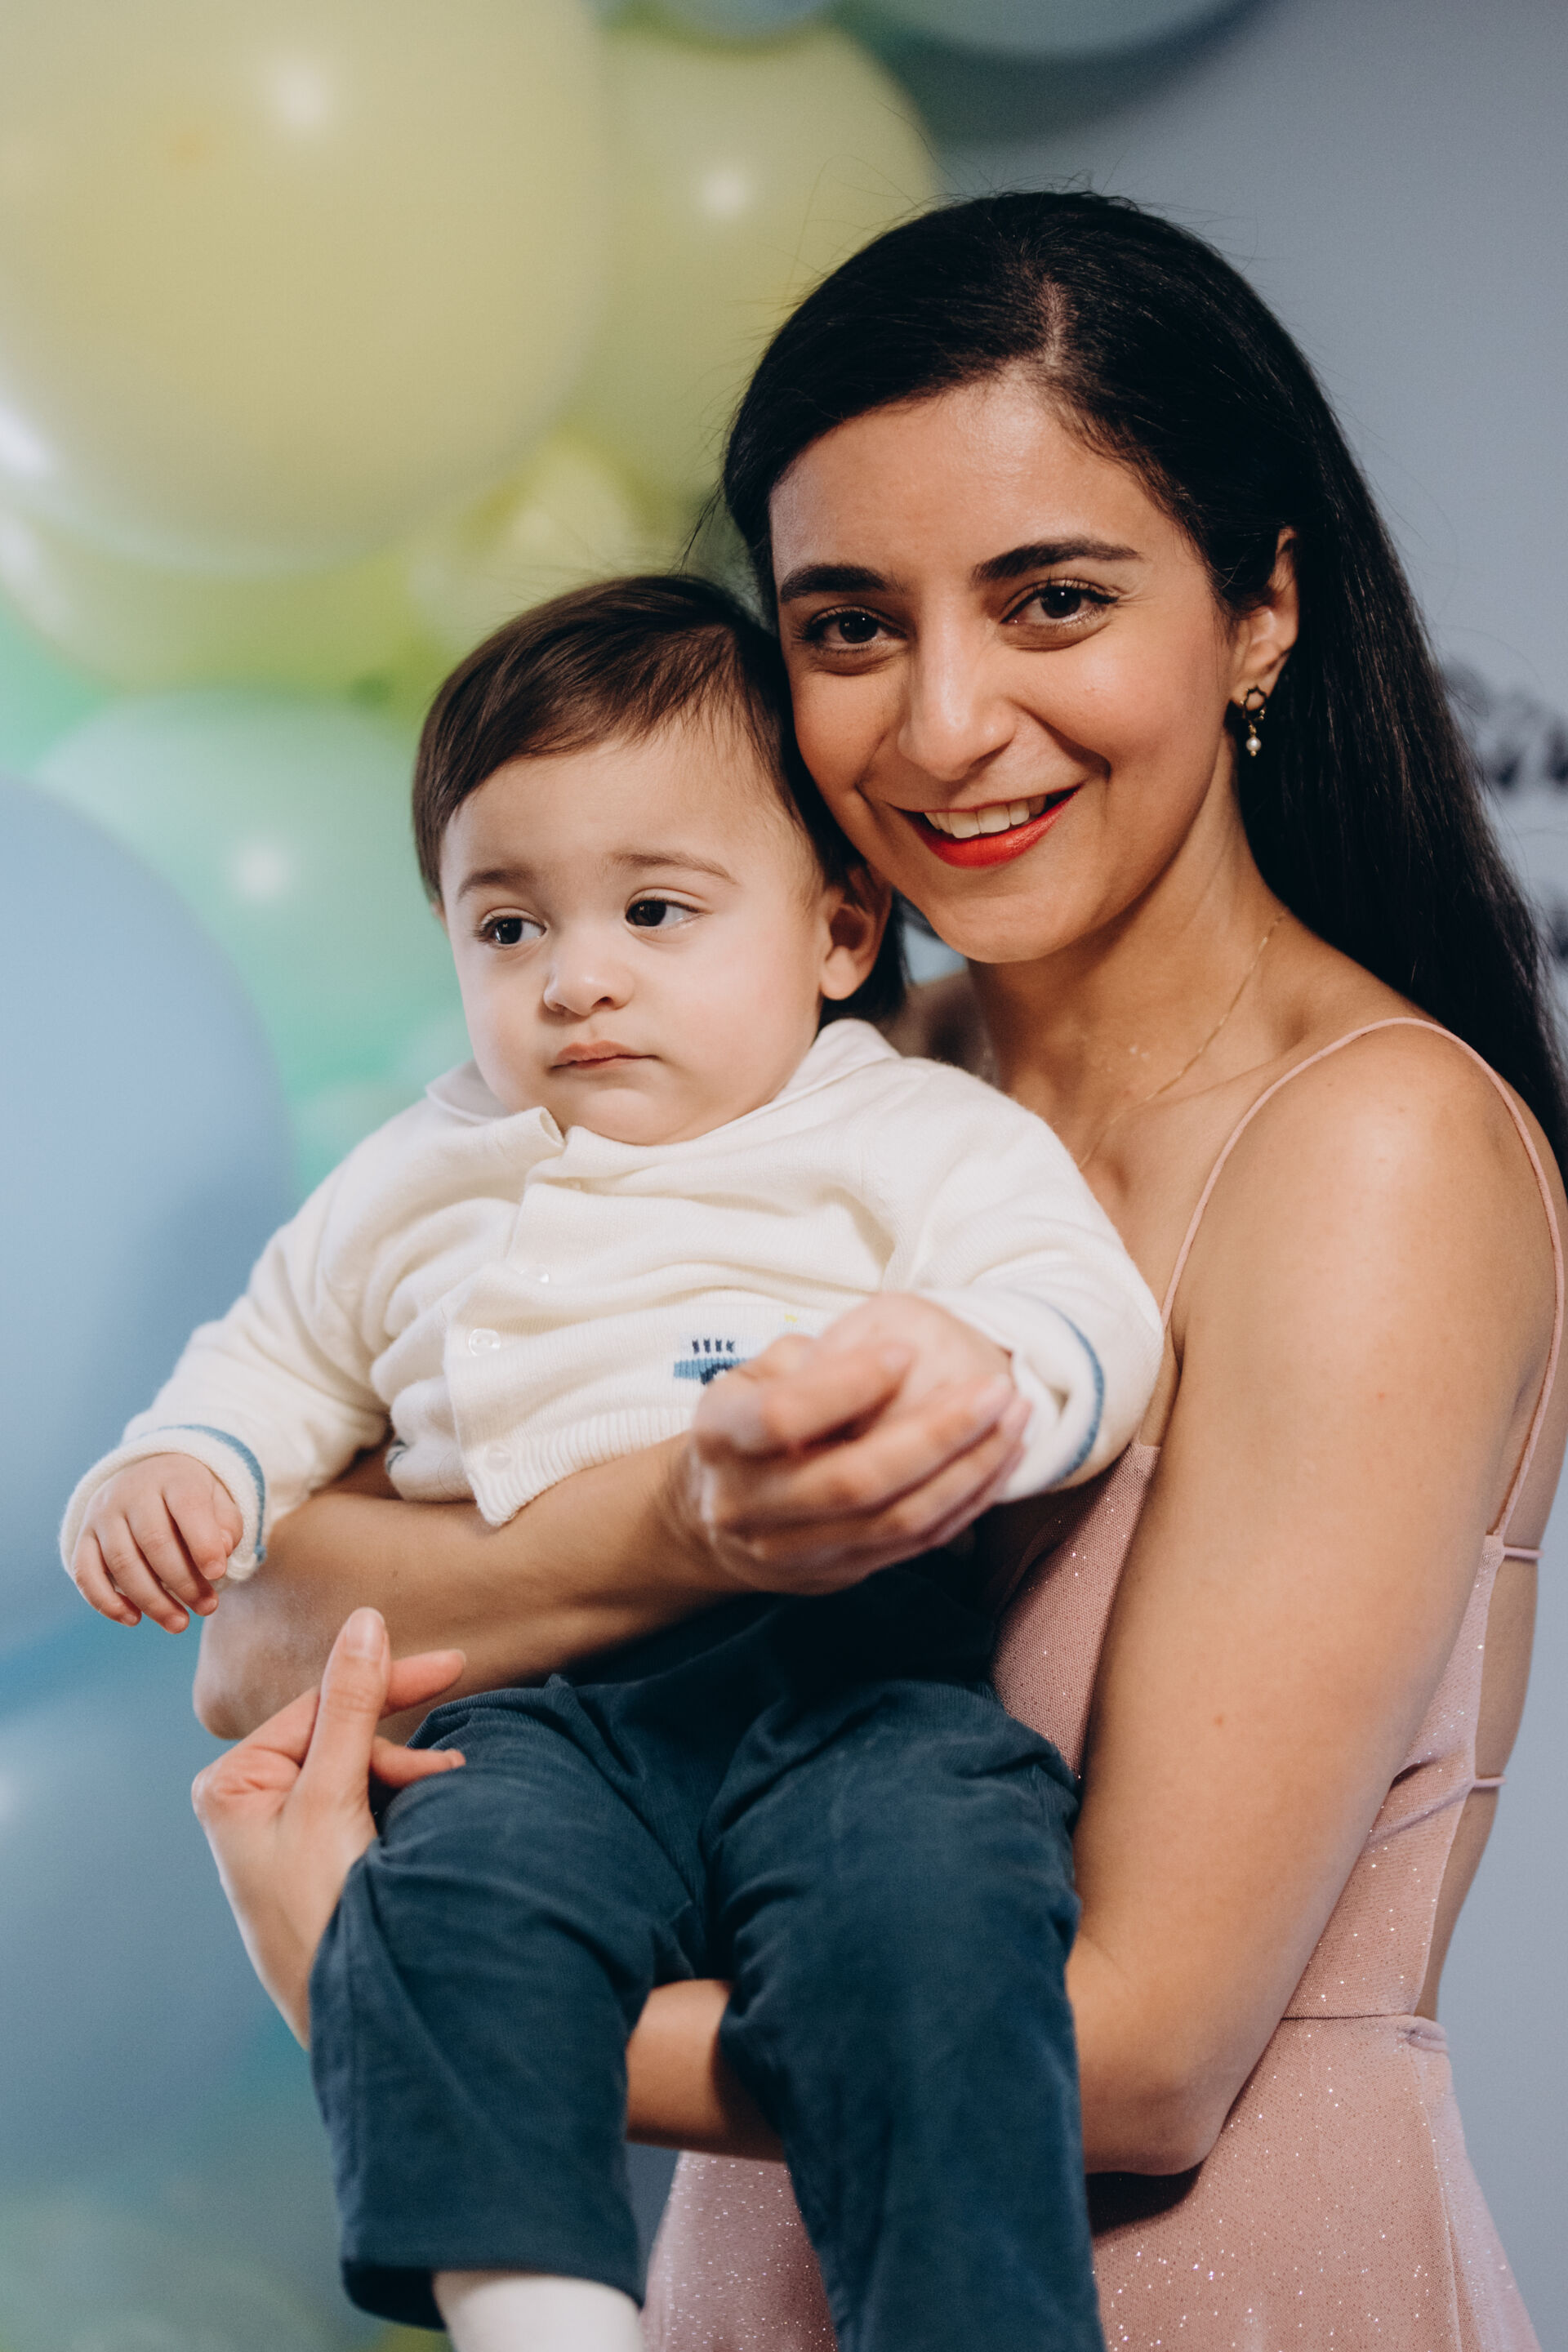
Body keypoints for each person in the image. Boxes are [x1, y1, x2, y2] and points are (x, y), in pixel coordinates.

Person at [192, 191, 1567, 2352]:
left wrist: (398, 1990)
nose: (942, 725)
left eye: (1053, 600)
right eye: (848, 624)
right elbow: (264, 1626)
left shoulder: (1365, 1149)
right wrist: (690, 1527)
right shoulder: (808, 1102)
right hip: (748, 2292)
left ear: (1259, 613)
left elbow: (1141, 2052)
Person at [72, 575, 1162, 2350]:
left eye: (656, 910)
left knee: (937, 1910)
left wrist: (978, 1388)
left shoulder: (899, 1124)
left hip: (844, 1680)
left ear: (836, 929)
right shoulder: (419, 1168)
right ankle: (540, 2316)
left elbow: (1082, 1310)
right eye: (507, 927)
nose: (578, 978)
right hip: (532, 1710)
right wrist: (184, 1466)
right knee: (448, 1911)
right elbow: (270, 1359)